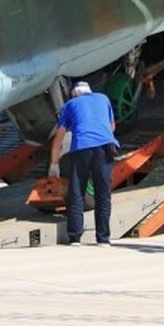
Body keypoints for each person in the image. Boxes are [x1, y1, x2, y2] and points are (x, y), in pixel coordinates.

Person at [48, 81, 119, 246]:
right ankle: (103, 239)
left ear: (74, 93)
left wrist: (54, 163)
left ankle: (75, 237)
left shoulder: (70, 104)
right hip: (105, 147)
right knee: (103, 193)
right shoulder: (103, 98)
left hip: (82, 148)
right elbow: (112, 126)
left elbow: (59, 136)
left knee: (77, 192)